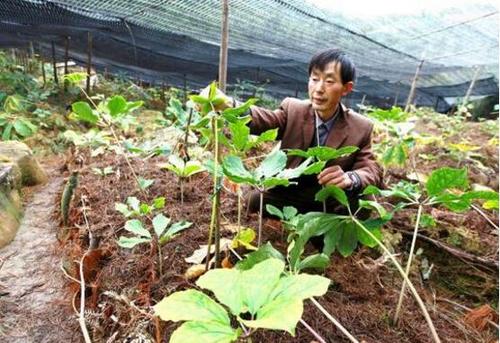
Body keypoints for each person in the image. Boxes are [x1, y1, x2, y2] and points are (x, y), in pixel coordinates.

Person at [216, 49, 383, 215]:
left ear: (346, 88)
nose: (318, 88)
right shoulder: (294, 109)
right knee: (254, 201)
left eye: (329, 81)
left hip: (329, 204)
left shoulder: (361, 127)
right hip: (290, 195)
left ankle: (326, 232)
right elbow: (266, 119)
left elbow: (371, 168)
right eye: (315, 79)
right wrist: (230, 106)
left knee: (361, 205)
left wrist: (351, 178)